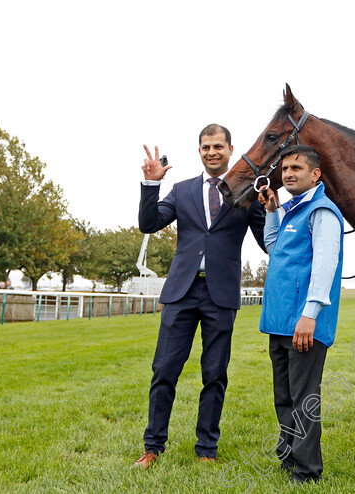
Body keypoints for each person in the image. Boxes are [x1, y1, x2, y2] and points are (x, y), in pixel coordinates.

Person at [134, 124, 266, 469]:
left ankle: (206, 448)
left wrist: (272, 207)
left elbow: (268, 243)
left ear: (230, 149)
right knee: (164, 369)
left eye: (218, 146)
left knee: (214, 374)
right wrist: (151, 184)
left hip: (220, 294)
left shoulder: (245, 193)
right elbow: (149, 224)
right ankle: (152, 448)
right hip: (181, 292)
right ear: (199, 151)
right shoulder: (181, 190)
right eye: (206, 146)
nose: (212, 152)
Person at [256, 145, 344, 484]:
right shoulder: (292, 210)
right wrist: (271, 211)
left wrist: (310, 315)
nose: (288, 173)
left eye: (297, 168)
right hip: (279, 322)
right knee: (285, 397)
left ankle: (307, 470)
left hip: (303, 323)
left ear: (315, 174)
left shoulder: (322, 211)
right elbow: (274, 247)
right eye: (285, 169)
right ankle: (289, 456)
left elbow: (325, 265)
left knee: (304, 398)